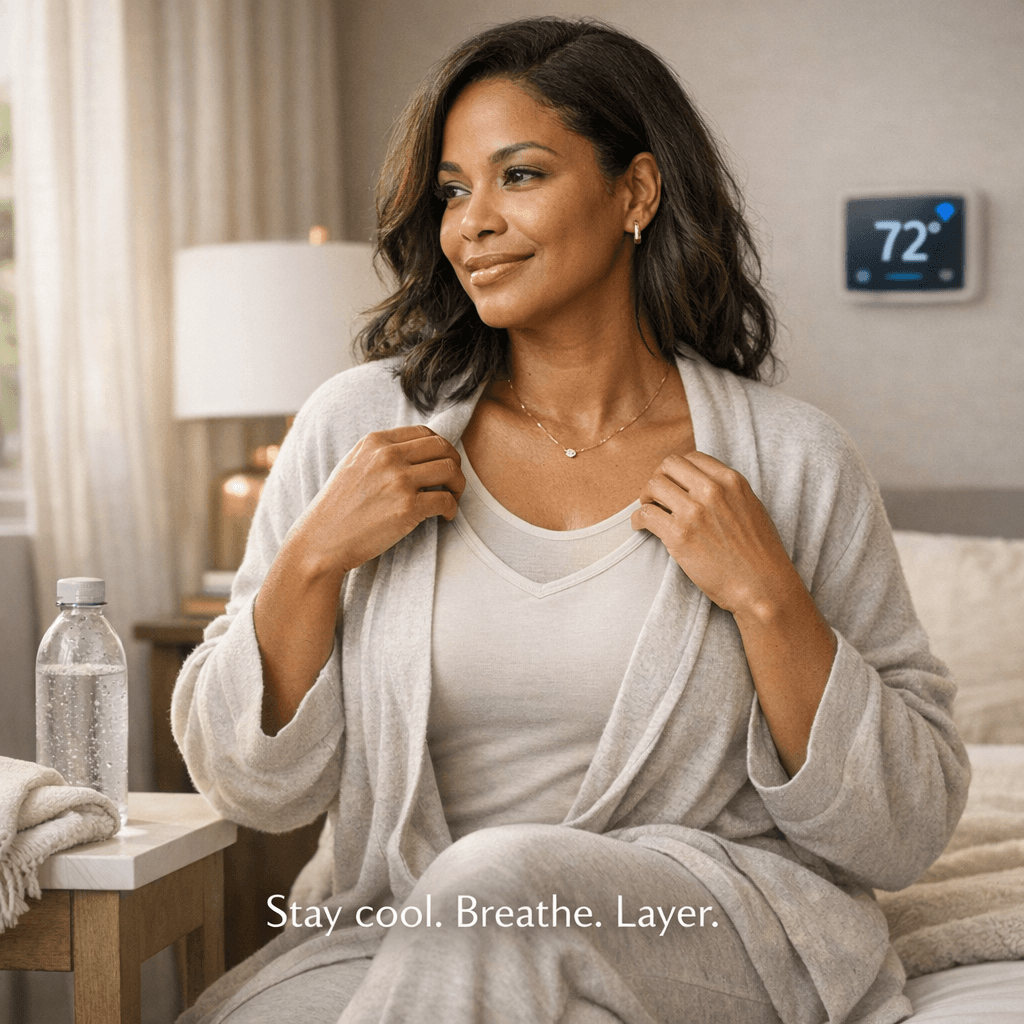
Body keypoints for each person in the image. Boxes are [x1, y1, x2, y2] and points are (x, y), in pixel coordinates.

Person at [173, 17, 969, 1024]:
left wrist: (770, 600)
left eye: (520, 176)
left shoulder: (792, 459)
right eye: (452, 191)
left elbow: (903, 826)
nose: (472, 224)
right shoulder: (358, 427)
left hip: (701, 928)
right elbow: (251, 789)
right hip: (399, 924)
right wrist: (312, 562)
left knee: (493, 884)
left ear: (635, 192)